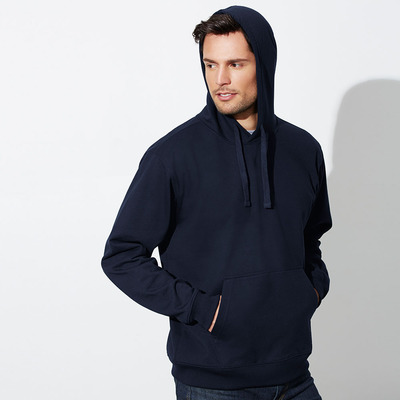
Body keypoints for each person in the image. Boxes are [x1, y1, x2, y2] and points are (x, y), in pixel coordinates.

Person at [101, 5, 332, 400]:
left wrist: (310, 290)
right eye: (210, 65)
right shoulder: (171, 156)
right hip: (212, 383)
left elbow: (310, 238)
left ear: (264, 65)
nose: (220, 79)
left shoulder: (302, 150)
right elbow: (121, 256)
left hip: (295, 375)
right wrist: (203, 309)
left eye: (235, 64)